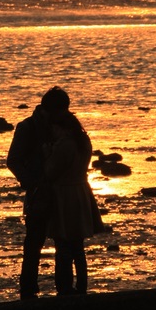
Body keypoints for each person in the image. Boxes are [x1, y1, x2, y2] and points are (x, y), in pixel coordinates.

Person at [6, 85, 70, 299]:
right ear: (51, 110)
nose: (66, 115)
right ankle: (28, 289)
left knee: (63, 241)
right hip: (38, 193)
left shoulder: (63, 125)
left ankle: (64, 288)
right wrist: (32, 183)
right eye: (63, 111)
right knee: (34, 243)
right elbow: (13, 160)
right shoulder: (27, 127)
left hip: (60, 191)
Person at [44, 109, 104, 296]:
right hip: (81, 191)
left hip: (64, 194)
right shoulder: (84, 142)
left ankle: (64, 288)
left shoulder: (64, 145)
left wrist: (47, 153)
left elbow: (50, 171)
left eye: (54, 127)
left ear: (61, 127)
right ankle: (82, 287)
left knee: (63, 245)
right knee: (78, 246)